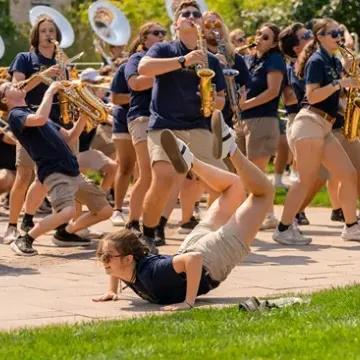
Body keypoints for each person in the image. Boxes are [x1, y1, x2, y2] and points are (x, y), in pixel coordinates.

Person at [93, 112, 274, 310]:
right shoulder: (127, 267)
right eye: (103, 255)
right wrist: (113, 290)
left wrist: (188, 302)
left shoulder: (153, 273)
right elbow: (116, 265)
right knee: (235, 187)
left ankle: (230, 149)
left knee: (262, 195)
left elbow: (194, 259)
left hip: (208, 259)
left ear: (128, 258)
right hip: (194, 248)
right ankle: (192, 161)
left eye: (106, 257)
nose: (103, 261)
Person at [137, 0, 230, 250]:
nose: (191, 16)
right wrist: (183, 60)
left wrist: (212, 101)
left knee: (228, 184)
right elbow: (143, 68)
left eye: (196, 14)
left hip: (199, 126)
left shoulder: (210, 58)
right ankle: (147, 233)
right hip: (164, 126)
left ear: (201, 23)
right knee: (164, 178)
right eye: (185, 14)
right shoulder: (164, 49)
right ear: (176, 25)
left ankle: (210, 234)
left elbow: (221, 98)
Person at [0, 80, 113, 256]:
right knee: (68, 211)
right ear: (6, 100)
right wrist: (50, 91)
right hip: (53, 171)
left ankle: (66, 233)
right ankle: (26, 239)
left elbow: (70, 137)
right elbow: (39, 119)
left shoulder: (34, 113)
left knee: (106, 211)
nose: (17, 85)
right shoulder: (16, 115)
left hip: (72, 169)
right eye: (10, 87)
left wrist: (85, 115)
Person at [273, 18, 360, 245]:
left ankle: (351, 226)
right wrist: (340, 85)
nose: (339, 36)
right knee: (305, 180)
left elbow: (335, 97)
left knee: (348, 174)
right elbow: (312, 96)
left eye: (340, 32)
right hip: (310, 122)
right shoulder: (317, 60)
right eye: (333, 33)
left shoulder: (331, 61)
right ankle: (283, 228)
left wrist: (347, 88)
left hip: (325, 126)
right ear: (320, 37)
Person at [4, 16, 65, 244]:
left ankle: (30, 220)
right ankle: (11, 226)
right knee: (24, 175)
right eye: (43, 31)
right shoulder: (25, 58)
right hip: (28, 121)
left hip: (55, 122)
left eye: (51, 30)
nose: (48, 34)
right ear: (36, 36)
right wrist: (42, 77)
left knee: (46, 175)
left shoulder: (60, 62)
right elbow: (16, 88)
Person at [238, 22, 286, 231]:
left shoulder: (275, 59)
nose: (259, 38)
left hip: (263, 120)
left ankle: (268, 214)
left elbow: (273, 91)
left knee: (255, 172)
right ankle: (258, 213)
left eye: (265, 37)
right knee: (244, 172)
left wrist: (246, 104)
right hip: (244, 120)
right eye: (258, 34)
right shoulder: (250, 58)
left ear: (275, 43)